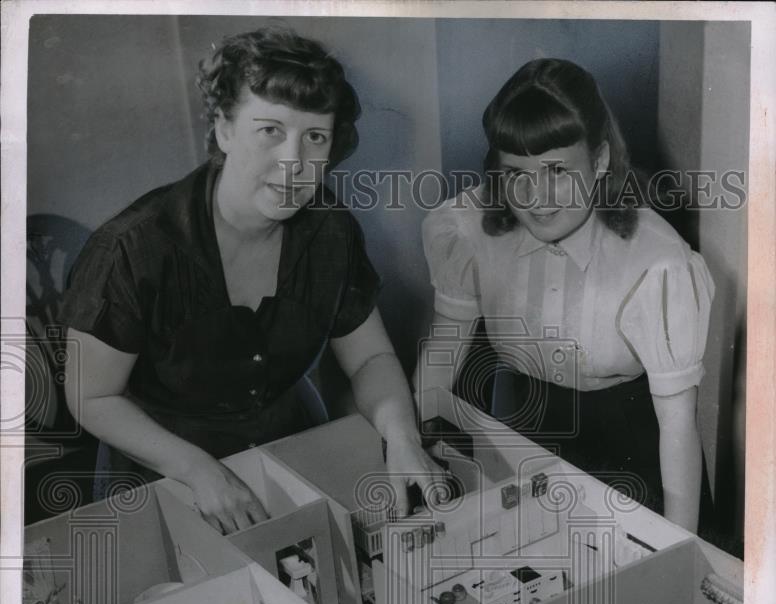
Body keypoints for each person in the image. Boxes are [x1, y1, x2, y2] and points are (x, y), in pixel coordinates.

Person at [62, 27, 443, 534]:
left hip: (287, 440)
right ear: (223, 129)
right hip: (159, 463)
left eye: (315, 137)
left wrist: (402, 439)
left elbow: (371, 357)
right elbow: (92, 396)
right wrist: (198, 470)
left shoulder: (330, 231)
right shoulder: (132, 250)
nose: (294, 164)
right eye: (270, 131)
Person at [416, 58, 714, 532]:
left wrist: (679, 547)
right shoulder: (467, 229)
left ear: (598, 160)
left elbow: (678, 425)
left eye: (556, 169)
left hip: (633, 448)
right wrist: (416, 437)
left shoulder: (659, 262)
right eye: (517, 172)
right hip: (520, 426)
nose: (536, 196)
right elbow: (445, 345)